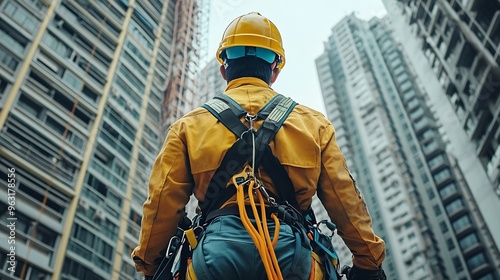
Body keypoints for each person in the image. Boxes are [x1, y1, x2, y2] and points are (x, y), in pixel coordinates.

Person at [132, 12, 386, 280]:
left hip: (211, 261)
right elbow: (345, 200)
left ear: (223, 69)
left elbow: (161, 202)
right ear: (275, 70)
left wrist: (150, 266)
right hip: (296, 261)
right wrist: (368, 262)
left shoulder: (187, 127)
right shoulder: (314, 126)